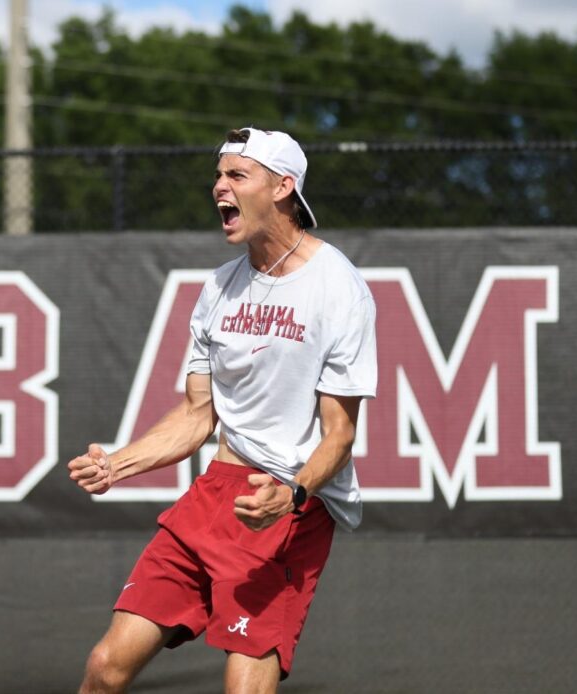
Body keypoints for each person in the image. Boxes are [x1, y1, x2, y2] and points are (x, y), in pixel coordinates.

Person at [68, 127, 378, 693]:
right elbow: (196, 414)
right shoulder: (219, 287)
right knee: (104, 669)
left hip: (284, 506)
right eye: (218, 175)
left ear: (283, 186)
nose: (219, 187)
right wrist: (119, 464)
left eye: (237, 175)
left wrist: (293, 494)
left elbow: (339, 435)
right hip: (212, 495)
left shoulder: (340, 288)